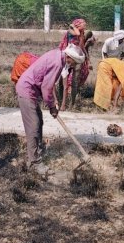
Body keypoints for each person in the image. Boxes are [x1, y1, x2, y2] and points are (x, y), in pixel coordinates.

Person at [15, 44, 85, 177]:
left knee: (39, 122)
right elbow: (47, 88)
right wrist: (52, 106)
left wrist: (52, 104)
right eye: (75, 63)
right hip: (26, 90)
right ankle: (35, 163)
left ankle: (38, 151)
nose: (74, 66)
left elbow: (45, 84)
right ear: (69, 58)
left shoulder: (57, 55)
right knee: (33, 126)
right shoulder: (57, 63)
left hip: (32, 91)